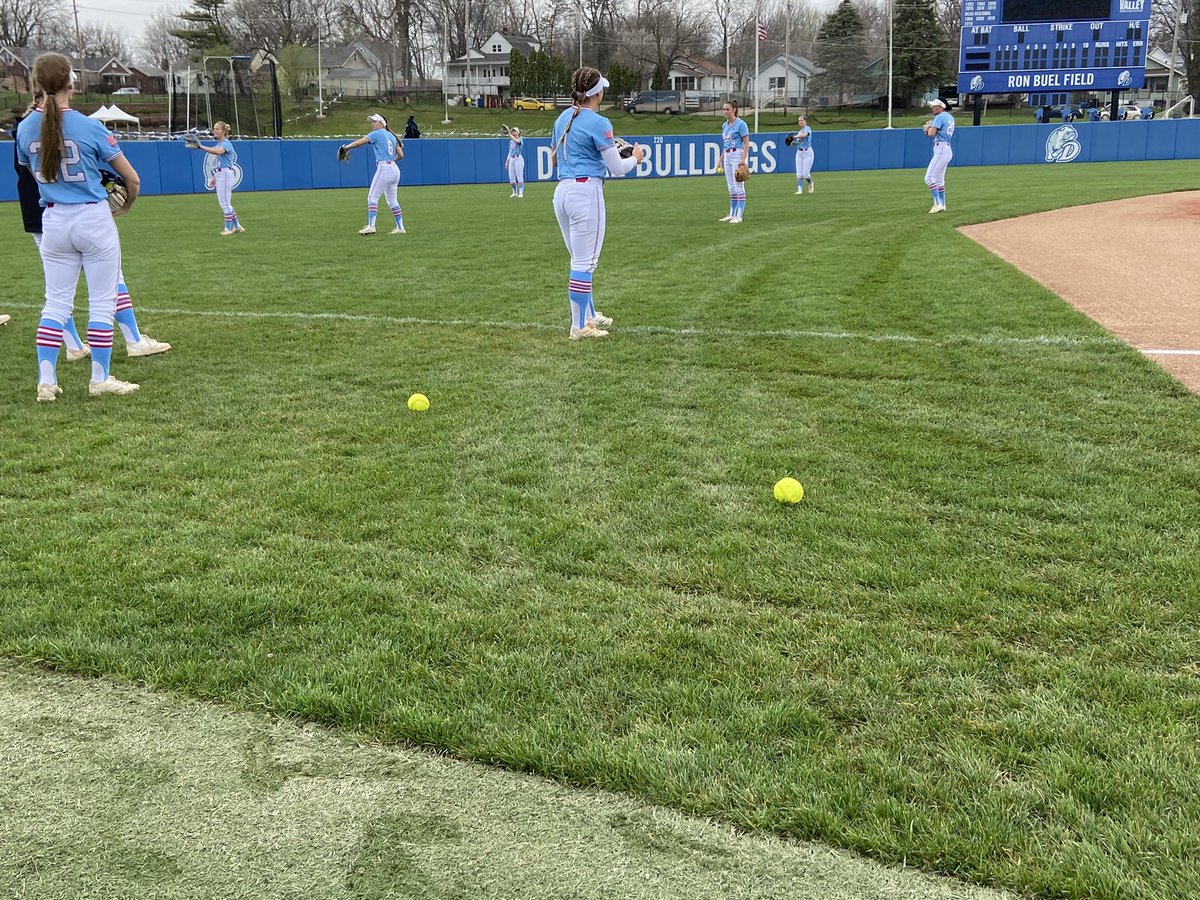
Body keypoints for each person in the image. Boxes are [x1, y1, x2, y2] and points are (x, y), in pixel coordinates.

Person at [16, 52, 141, 400]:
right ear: (71, 82)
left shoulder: (24, 128)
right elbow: (131, 179)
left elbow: (31, 170)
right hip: (91, 216)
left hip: (53, 218)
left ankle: (46, 380)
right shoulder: (90, 126)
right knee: (102, 302)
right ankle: (99, 378)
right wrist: (127, 205)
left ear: (37, 84)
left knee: (54, 303)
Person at [14, 108, 170, 361]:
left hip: (44, 212)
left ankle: (71, 348)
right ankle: (130, 342)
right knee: (105, 288)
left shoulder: (25, 127)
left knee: (57, 295)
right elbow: (130, 177)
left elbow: (26, 172)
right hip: (79, 210)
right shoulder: (74, 124)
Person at [550, 67, 645, 341]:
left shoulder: (562, 118)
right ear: (598, 93)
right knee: (584, 262)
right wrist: (636, 157)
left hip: (562, 191)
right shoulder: (598, 122)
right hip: (585, 191)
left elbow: (555, 159)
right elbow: (617, 168)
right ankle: (579, 326)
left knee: (579, 259)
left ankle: (588, 315)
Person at [339, 113, 405, 235]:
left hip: (384, 167)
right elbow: (401, 155)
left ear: (381, 123)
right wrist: (392, 162)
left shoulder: (377, 133)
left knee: (372, 197)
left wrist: (346, 148)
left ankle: (371, 226)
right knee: (392, 201)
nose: (372, 123)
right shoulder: (391, 136)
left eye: (374, 121)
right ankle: (400, 228)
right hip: (395, 169)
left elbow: (359, 143)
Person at [188, 121, 244, 235]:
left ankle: (228, 229)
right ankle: (237, 226)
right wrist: (214, 177)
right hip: (220, 173)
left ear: (224, 131)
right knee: (226, 202)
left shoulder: (226, 143)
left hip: (225, 174)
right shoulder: (219, 143)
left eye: (217, 129)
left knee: (224, 203)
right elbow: (219, 162)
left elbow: (218, 152)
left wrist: (201, 146)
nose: (215, 131)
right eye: (214, 128)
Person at [716, 100, 749, 224]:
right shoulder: (724, 126)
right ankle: (731, 214)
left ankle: (739, 216)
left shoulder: (741, 124)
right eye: (724, 109)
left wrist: (742, 160)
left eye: (727, 109)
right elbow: (726, 145)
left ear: (734, 109)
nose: (725, 111)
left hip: (737, 154)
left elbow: (746, 144)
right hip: (728, 155)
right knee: (731, 187)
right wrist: (720, 160)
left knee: (738, 185)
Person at [923, 97, 954, 214]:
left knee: (929, 178)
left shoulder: (939, 117)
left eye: (934, 106)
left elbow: (931, 133)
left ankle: (937, 204)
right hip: (947, 148)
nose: (932, 108)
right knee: (940, 180)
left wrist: (928, 129)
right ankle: (943, 204)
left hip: (941, 148)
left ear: (940, 107)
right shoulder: (949, 117)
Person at [790, 115, 814, 195]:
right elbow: (799, 143)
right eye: (799, 120)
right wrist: (792, 143)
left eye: (801, 120)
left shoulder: (807, 128)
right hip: (799, 153)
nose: (800, 122)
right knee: (799, 173)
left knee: (805, 174)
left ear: (805, 121)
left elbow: (804, 135)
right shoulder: (799, 132)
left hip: (807, 153)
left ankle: (810, 183)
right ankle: (799, 190)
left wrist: (794, 137)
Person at [505, 126, 525, 198]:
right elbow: (510, 152)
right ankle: (514, 192)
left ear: (519, 132)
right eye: (513, 131)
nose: (514, 132)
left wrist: (509, 135)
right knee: (511, 177)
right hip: (512, 159)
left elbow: (517, 142)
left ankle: (521, 193)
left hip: (518, 158)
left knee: (519, 176)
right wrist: (507, 161)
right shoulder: (510, 141)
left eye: (515, 131)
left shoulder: (520, 139)